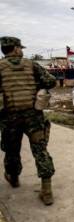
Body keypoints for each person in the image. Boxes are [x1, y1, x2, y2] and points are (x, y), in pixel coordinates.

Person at [0, 36, 56, 205]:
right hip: (33, 117)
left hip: (10, 118)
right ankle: (47, 192)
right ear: (15, 49)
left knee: (11, 150)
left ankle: (14, 178)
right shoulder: (32, 65)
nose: (22, 50)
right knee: (40, 151)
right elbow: (51, 81)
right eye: (20, 47)